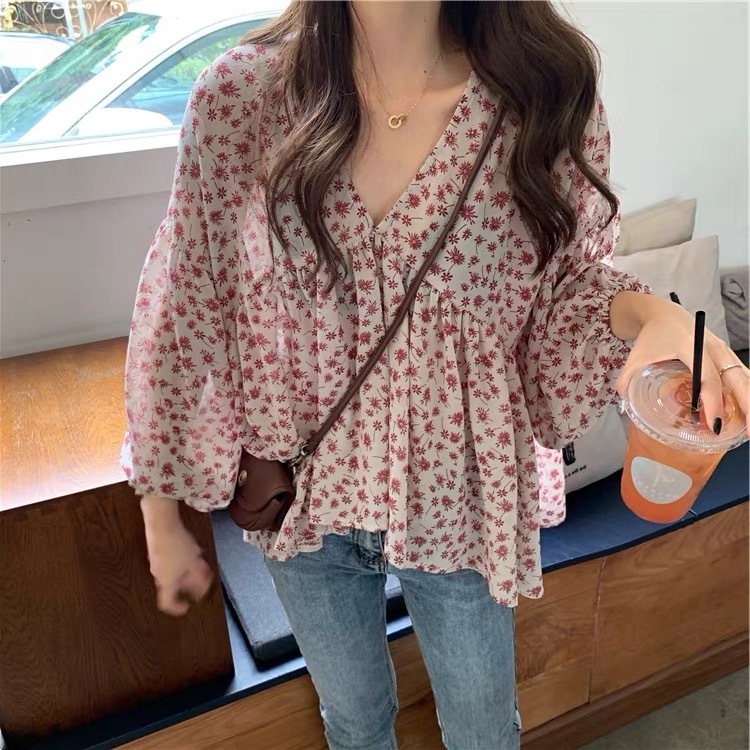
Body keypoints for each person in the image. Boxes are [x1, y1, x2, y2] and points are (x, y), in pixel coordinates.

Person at [121, 2, 750, 748]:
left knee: (482, 730)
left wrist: (650, 315)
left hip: (460, 492)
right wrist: (161, 512)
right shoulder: (244, 98)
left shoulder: (543, 94)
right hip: (304, 494)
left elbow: (562, 292)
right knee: (354, 722)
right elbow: (187, 300)